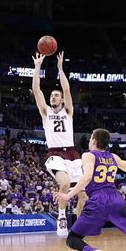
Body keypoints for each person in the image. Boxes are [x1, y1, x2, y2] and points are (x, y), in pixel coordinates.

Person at [32, 51, 88, 237]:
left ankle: (78, 230)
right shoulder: (46, 113)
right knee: (63, 183)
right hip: (55, 154)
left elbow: (66, 89)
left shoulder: (68, 111)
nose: (53, 97)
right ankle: (62, 216)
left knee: (84, 197)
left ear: (62, 100)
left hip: (72, 154)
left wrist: (60, 68)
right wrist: (37, 67)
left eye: (56, 96)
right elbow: (37, 91)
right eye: (52, 96)